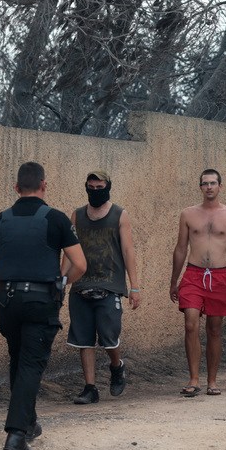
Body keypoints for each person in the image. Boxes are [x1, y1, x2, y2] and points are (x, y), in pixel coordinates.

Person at [0, 162, 87, 450]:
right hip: (40, 302)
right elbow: (80, 264)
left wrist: (0, 280)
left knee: (19, 359)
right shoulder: (57, 219)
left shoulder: (2, 219)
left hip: (6, 303)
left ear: (16, 188)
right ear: (44, 185)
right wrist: (61, 284)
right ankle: (16, 436)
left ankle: (29, 421)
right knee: (30, 365)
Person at [170, 169, 226, 397]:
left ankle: (212, 380)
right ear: (200, 187)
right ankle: (193, 378)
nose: (209, 187)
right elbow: (180, 248)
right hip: (193, 275)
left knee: (214, 330)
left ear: (220, 186)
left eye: (213, 183)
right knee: (190, 324)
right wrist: (174, 280)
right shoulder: (188, 214)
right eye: (205, 183)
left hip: (219, 276)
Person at [64, 170, 140, 405]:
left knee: (109, 336)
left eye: (100, 187)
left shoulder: (120, 214)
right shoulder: (76, 215)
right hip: (81, 284)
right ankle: (90, 388)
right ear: (85, 187)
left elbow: (128, 251)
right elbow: (69, 249)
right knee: (83, 339)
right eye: (91, 187)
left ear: (108, 187)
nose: (95, 191)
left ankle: (116, 367)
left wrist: (134, 287)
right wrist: (62, 280)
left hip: (110, 284)